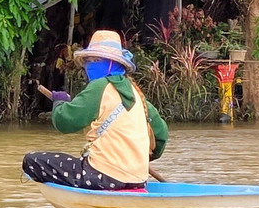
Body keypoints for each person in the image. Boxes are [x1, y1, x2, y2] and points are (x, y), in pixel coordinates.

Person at [22, 30, 169, 190]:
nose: (91, 65)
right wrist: (136, 158)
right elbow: (161, 135)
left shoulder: (100, 87)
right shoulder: (137, 94)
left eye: (97, 60)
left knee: (32, 160)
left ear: (113, 63)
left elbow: (64, 121)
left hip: (103, 177)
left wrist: (59, 102)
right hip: (139, 179)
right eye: (89, 61)